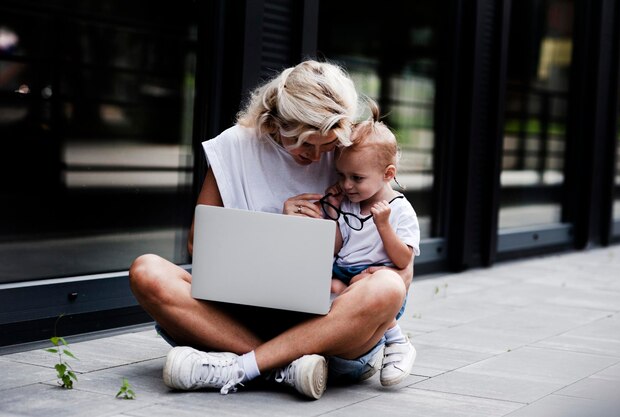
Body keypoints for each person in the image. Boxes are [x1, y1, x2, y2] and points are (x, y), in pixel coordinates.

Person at [128, 60, 413, 400]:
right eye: (306, 144)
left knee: (388, 287)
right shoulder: (234, 146)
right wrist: (278, 223)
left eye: (326, 146)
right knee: (146, 271)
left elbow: (398, 255)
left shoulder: (347, 151)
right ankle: (283, 368)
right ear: (274, 122)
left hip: (329, 330)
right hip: (239, 320)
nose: (318, 155)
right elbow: (198, 244)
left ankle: (241, 366)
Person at [320, 101, 420, 387]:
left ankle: (397, 341)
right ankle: (339, 343)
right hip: (344, 274)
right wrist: (332, 211)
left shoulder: (400, 210)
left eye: (357, 178)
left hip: (379, 282)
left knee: (358, 289)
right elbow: (335, 249)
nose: (347, 185)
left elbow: (403, 261)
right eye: (342, 176)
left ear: (388, 175)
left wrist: (384, 226)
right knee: (332, 287)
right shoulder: (349, 204)